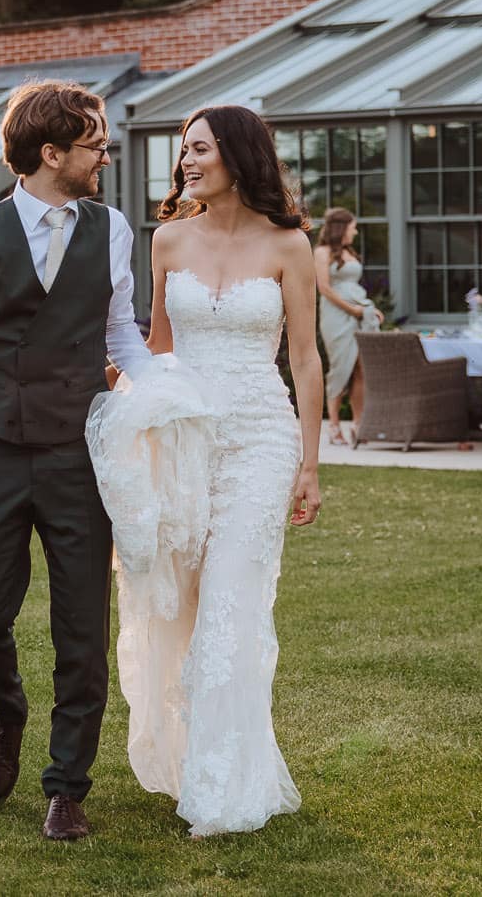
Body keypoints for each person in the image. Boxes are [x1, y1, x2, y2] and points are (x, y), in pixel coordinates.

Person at [0, 79, 152, 842]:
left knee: (81, 626)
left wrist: (172, 394)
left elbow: (122, 335)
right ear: (50, 153)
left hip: (81, 455)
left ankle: (65, 786)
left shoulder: (111, 229)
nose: (104, 154)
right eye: (94, 144)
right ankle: (6, 711)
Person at [86, 104, 322, 837]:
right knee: (177, 599)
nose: (186, 161)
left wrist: (311, 461)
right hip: (183, 437)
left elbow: (307, 359)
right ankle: (190, 755)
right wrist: (115, 406)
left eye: (199, 149)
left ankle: (226, 786)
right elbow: (155, 342)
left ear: (239, 155)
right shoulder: (168, 238)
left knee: (232, 595)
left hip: (259, 434)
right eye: (183, 151)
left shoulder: (289, 243)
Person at [313, 206, 379, 445]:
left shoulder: (349, 252)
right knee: (341, 368)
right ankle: (333, 426)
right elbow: (325, 289)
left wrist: (369, 310)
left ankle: (358, 424)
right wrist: (353, 310)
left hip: (359, 313)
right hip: (336, 316)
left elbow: (354, 288)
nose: (356, 231)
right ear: (341, 227)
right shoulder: (322, 252)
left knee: (361, 368)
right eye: (353, 227)